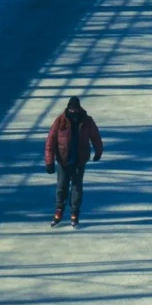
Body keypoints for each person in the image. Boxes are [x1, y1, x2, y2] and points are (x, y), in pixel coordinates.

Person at [44, 97, 103, 227]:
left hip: (79, 160)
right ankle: (59, 210)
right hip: (63, 160)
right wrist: (49, 161)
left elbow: (95, 137)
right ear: (68, 107)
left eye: (75, 108)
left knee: (76, 187)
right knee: (61, 186)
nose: (73, 111)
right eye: (71, 108)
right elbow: (50, 141)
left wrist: (98, 151)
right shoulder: (60, 120)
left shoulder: (87, 120)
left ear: (78, 108)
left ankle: (74, 212)